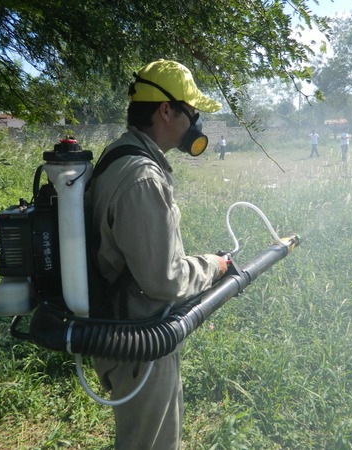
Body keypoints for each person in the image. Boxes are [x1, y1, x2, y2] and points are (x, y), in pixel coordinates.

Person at [86, 59, 228, 450]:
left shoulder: (121, 154)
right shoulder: (142, 177)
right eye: (192, 111)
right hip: (139, 342)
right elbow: (165, 279)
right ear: (166, 110)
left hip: (127, 333)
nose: (195, 122)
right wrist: (214, 266)